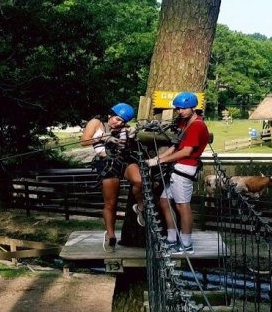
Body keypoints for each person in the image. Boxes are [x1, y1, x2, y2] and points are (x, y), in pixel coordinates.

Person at [146, 92, 210, 254]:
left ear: (192, 108)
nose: (180, 111)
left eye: (183, 109)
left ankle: (187, 244)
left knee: (183, 206)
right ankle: (172, 239)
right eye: (178, 109)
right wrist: (157, 158)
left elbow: (186, 152)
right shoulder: (185, 123)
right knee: (164, 202)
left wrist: (161, 161)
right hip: (176, 167)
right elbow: (175, 147)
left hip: (185, 168)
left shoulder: (197, 125)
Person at [81, 102, 145, 252]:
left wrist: (133, 136)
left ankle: (140, 207)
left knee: (139, 180)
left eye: (123, 121)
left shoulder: (124, 129)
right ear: (110, 115)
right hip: (107, 162)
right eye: (117, 119)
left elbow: (130, 145)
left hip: (124, 160)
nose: (119, 123)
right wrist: (103, 138)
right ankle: (110, 236)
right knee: (111, 203)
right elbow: (84, 141)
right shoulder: (96, 123)